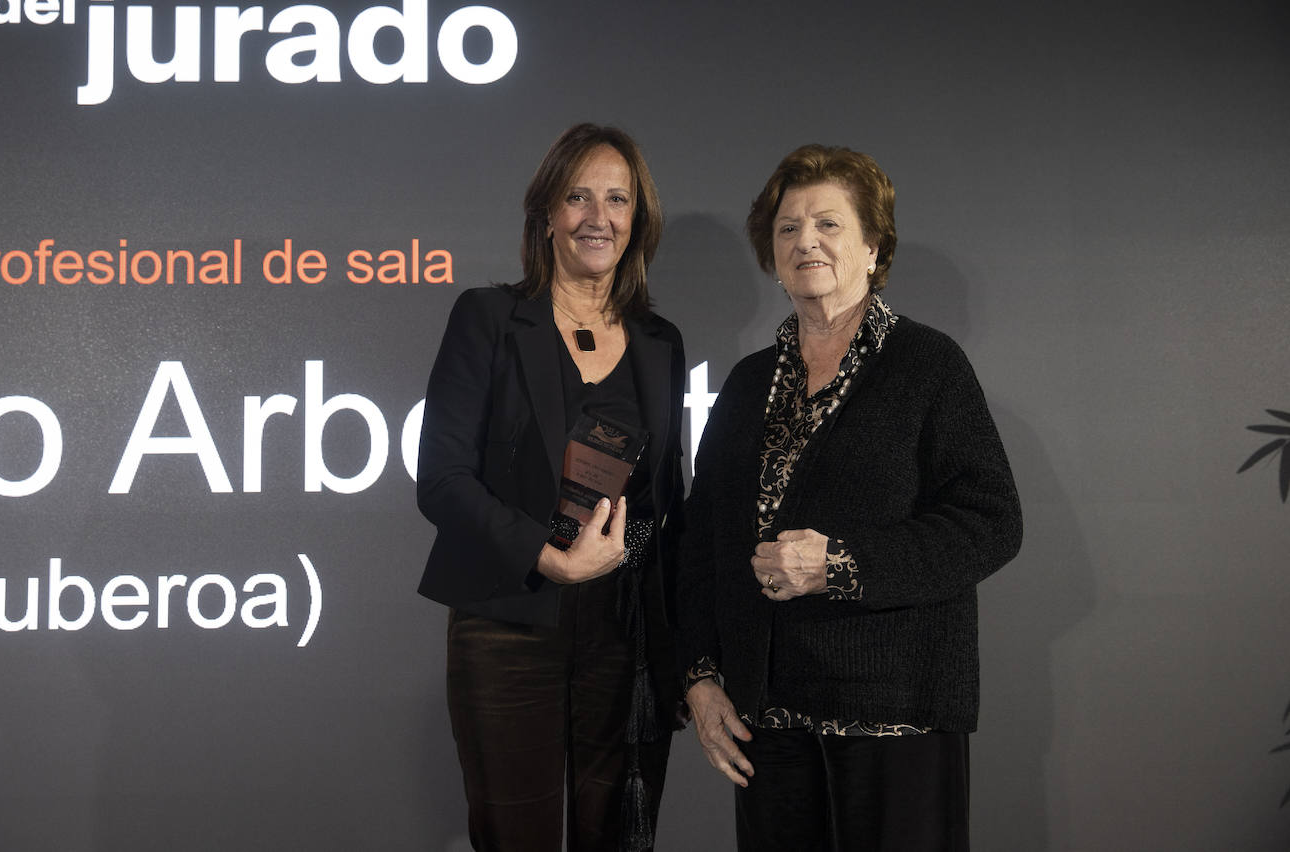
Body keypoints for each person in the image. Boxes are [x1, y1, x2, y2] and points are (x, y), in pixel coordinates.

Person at [676, 144, 1023, 851]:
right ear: (772, 257)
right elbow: (702, 539)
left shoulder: (929, 366)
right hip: (767, 721)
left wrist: (840, 564)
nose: (806, 240)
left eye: (829, 224)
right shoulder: (746, 385)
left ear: (873, 247)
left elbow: (992, 522)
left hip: (894, 711)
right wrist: (702, 677)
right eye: (788, 228)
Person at [417, 124, 686, 852]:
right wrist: (550, 556)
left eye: (617, 199)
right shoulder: (489, 318)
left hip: (622, 634)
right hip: (508, 625)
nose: (598, 217)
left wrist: (678, 640)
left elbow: (668, 505)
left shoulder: (661, 343)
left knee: (617, 837)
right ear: (546, 215)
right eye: (578, 197)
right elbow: (440, 480)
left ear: (638, 220)